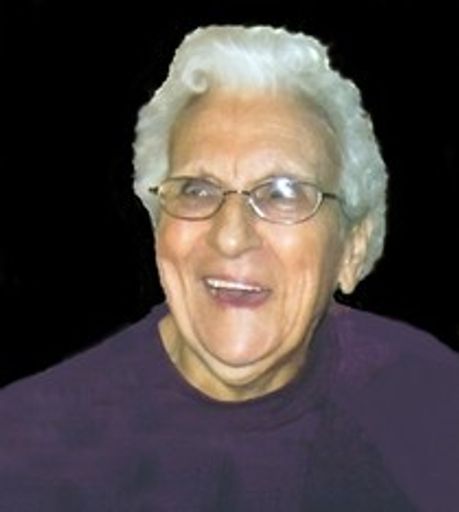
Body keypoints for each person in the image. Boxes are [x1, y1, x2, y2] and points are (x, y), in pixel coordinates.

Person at [1, 24, 458, 511]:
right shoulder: (26, 448)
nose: (231, 237)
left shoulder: (431, 397)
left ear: (352, 248)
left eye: (282, 192)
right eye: (196, 190)